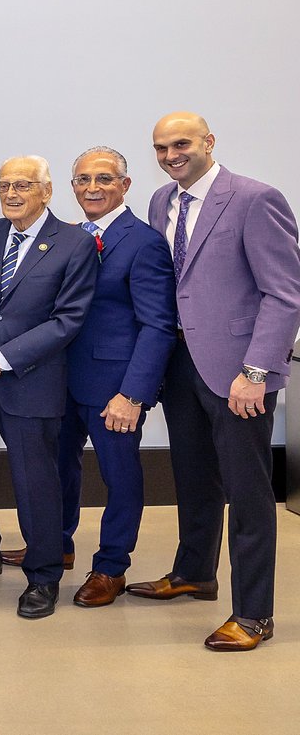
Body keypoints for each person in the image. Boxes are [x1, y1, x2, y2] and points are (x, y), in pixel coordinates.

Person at [127, 113, 300, 651]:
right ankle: (195, 572)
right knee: (193, 477)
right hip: (180, 364)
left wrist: (255, 372)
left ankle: (254, 615)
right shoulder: (161, 201)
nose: (171, 154)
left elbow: (285, 293)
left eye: (182, 144)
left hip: (237, 372)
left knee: (248, 493)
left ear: (209, 142)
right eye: (161, 147)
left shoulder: (254, 198)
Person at [4, 146, 175, 610]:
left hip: (113, 389)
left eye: (103, 179)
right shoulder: (69, 236)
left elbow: (158, 324)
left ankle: (111, 567)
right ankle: (54, 546)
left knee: (120, 477)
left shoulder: (144, 243)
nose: (92, 188)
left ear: (125, 185)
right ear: (71, 186)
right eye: (83, 180)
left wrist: (133, 394)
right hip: (59, 380)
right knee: (57, 470)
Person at [0, 156, 97, 620]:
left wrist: (2, 360)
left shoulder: (74, 243)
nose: (11, 193)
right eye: (4, 185)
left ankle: (44, 574)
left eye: (23, 185)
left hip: (31, 380)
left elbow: (68, 320)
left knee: (35, 480)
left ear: (46, 192)